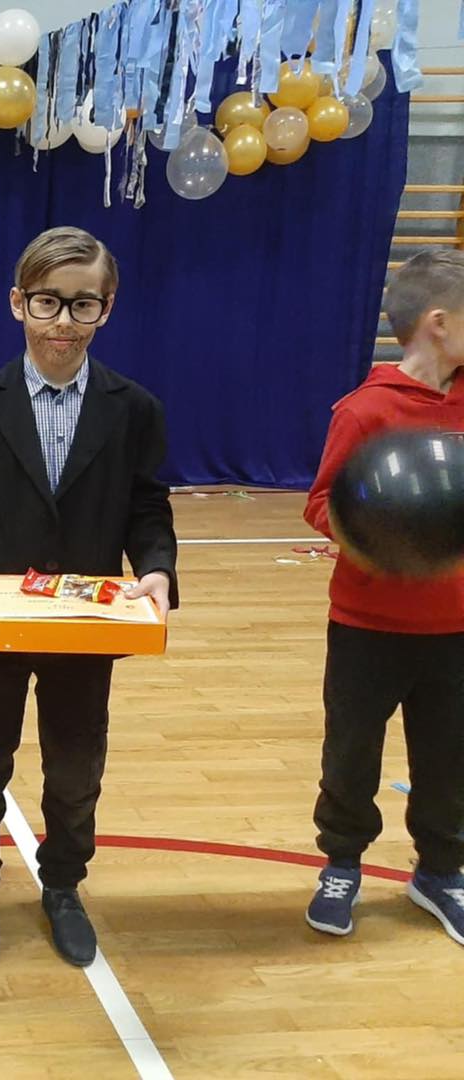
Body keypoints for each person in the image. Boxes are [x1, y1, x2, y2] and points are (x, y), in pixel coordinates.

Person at [0, 226, 177, 968]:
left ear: (107, 308)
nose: (64, 320)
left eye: (82, 304)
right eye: (47, 302)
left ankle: (63, 884)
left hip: (85, 628)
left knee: (75, 767)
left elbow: (148, 507)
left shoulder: (134, 410)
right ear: (17, 303)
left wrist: (157, 568)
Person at [301, 248, 464, 947]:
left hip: (455, 628)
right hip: (368, 625)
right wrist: (383, 529)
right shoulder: (367, 410)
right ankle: (341, 863)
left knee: (449, 757)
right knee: (351, 753)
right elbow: (319, 504)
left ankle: (441, 872)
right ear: (438, 323)